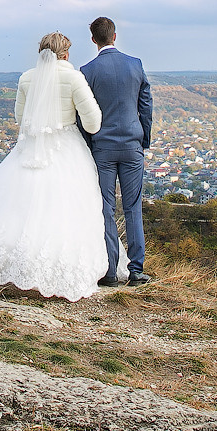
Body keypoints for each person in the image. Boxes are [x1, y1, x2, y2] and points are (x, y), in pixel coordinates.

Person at [0, 32, 119, 300]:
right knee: (67, 206)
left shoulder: (27, 78)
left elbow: (21, 117)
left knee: (18, 207)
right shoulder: (74, 78)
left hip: (30, 148)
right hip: (66, 147)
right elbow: (93, 122)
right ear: (66, 54)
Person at [78, 16, 153, 287]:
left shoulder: (87, 71)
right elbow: (146, 105)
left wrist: (89, 144)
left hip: (103, 148)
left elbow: (83, 113)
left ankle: (110, 271)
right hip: (132, 145)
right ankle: (136, 270)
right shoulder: (135, 65)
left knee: (106, 208)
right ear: (115, 36)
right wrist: (144, 139)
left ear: (93, 40)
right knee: (133, 208)